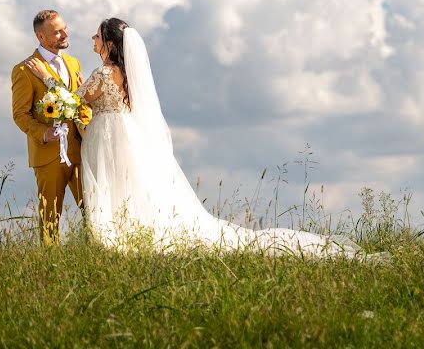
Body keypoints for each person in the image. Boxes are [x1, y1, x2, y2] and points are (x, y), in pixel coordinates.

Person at [24, 17, 367, 258]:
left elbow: (74, 100)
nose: (92, 41)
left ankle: (115, 239)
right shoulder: (125, 73)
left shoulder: (102, 72)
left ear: (110, 43)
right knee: (126, 185)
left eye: (97, 37)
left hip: (107, 136)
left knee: (112, 186)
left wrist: (48, 78)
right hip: (122, 134)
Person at [11, 9, 90, 244]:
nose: (65, 34)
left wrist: (87, 129)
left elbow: (81, 102)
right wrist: (43, 133)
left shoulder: (73, 62)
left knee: (94, 209)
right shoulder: (23, 70)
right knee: (49, 217)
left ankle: (99, 254)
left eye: (64, 28)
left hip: (80, 149)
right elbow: (20, 115)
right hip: (48, 154)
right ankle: (49, 263)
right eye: (57, 32)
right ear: (41, 37)